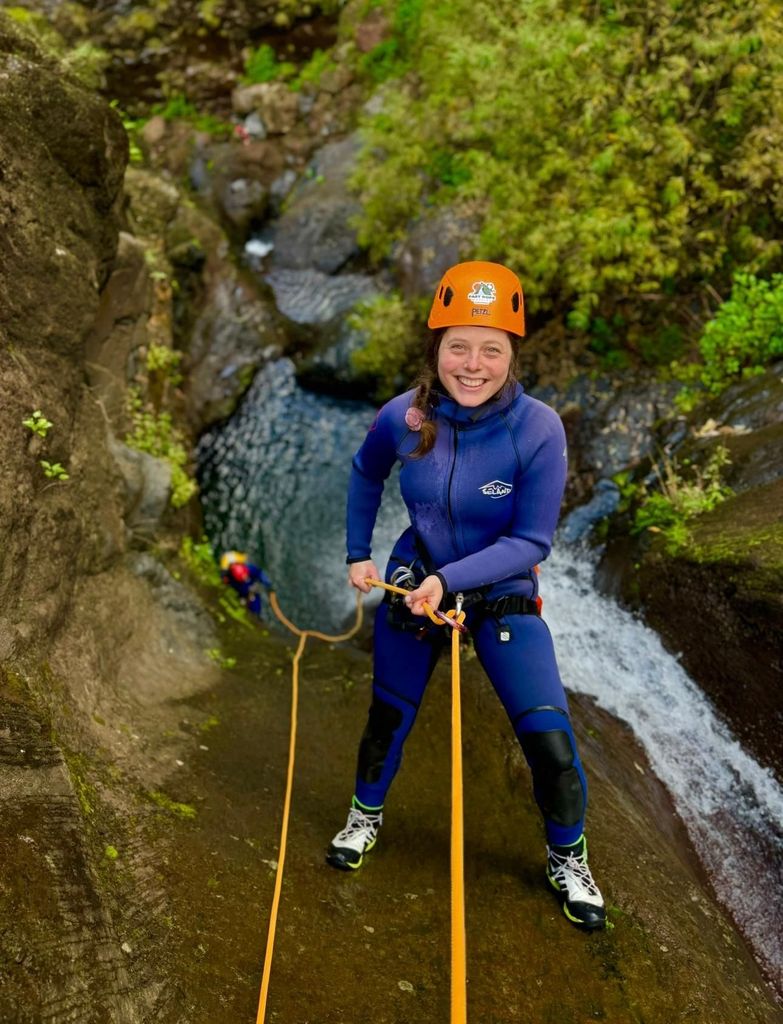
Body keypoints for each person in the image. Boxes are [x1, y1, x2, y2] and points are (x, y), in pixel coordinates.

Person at [325, 261, 605, 930]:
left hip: (497, 591)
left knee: (551, 745)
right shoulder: (406, 415)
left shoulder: (537, 429)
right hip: (415, 577)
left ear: (512, 356)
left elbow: (532, 542)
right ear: (435, 349)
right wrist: (357, 553)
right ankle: (364, 817)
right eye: (457, 346)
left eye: (491, 349)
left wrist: (449, 581)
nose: (472, 364)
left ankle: (568, 856)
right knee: (386, 717)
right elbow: (366, 473)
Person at [219, 550, 271, 616]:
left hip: (252, 593)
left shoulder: (250, 569)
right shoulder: (230, 579)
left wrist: (267, 584)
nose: (244, 578)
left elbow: (260, 573)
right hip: (242, 594)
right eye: (242, 578)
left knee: (255, 610)